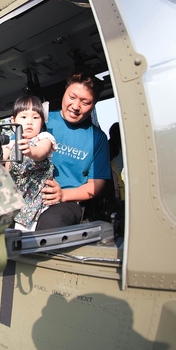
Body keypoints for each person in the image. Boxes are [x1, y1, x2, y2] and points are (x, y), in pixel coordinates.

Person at [37, 70, 111, 230]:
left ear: (94, 104)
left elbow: (96, 183)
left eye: (85, 103)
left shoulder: (97, 138)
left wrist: (63, 195)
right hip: (31, 193)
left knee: (50, 222)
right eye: (72, 97)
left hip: (68, 201)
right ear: (65, 91)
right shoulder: (42, 121)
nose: (76, 106)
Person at [2, 95, 57, 231]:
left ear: (42, 122)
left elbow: (41, 152)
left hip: (38, 200)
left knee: (29, 233)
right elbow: (0, 158)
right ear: (13, 121)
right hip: (18, 198)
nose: (29, 122)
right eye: (24, 117)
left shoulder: (44, 138)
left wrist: (30, 151)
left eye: (35, 117)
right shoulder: (11, 143)